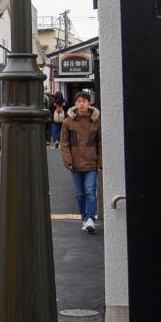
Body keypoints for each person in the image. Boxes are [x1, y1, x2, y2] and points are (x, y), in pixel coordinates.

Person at [60, 90, 101, 234]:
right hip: (75, 164)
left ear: (89, 103)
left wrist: (100, 162)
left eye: (84, 101)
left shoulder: (96, 121)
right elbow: (64, 144)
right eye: (79, 101)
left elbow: (100, 143)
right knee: (79, 193)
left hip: (91, 163)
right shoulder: (68, 122)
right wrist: (68, 161)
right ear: (75, 104)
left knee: (90, 190)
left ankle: (90, 218)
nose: (81, 104)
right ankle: (84, 219)